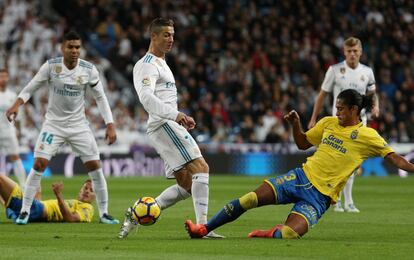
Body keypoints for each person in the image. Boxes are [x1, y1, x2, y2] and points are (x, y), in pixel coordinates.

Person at [185, 89, 414, 239]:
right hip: (300, 177)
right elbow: (303, 144)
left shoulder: (368, 137)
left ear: (354, 110)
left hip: (320, 198)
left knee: (288, 235)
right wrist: (296, 124)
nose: (337, 112)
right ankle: (203, 228)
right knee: (250, 199)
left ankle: (268, 233)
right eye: (336, 108)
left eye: (341, 109)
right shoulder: (328, 123)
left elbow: (394, 158)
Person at [118, 18, 222, 239]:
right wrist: (177, 115)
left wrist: (177, 116)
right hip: (164, 124)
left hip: (166, 124)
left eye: (172, 35)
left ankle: (135, 213)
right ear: (153, 36)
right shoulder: (147, 64)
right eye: (165, 34)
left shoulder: (162, 63)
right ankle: (203, 228)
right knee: (201, 168)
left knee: (186, 185)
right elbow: (146, 98)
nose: (171, 39)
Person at [5, 31, 119, 225]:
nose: (74, 51)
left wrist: (110, 124)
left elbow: (101, 98)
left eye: (77, 47)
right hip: (53, 126)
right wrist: (16, 105)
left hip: (79, 126)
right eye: (70, 47)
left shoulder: (89, 70)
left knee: (95, 168)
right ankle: (24, 211)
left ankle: (104, 213)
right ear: (62, 48)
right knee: (39, 164)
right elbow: (30, 88)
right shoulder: (51, 67)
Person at [307, 37, 379, 213]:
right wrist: (313, 118)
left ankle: (349, 201)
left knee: (353, 162)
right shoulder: (335, 70)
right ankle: (336, 199)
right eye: (349, 51)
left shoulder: (367, 72)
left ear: (361, 52)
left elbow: (372, 94)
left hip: (359, 123)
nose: (352, 54)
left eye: (355, 51)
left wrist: (376, 106)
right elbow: (322, 95)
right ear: (344, 52)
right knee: (337, 162)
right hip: (337, 123)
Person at [0, 174, 95, 223]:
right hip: (35, 208)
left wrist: (58, 194)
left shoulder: (88, 208)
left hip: (35, 209)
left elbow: (71, 218)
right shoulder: (75, 203)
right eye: (85, 188)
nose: (87, 191)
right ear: (79, 191)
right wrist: (38, 193)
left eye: (91, 190)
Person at [0, 69, 27, 188]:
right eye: (1, 76)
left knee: (15, 156)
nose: (3, 79)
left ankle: (23, 186)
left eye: (5, 76)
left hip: (8, 130)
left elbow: (18, 114)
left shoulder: (12, 95)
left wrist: (19, 130)